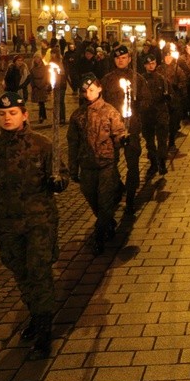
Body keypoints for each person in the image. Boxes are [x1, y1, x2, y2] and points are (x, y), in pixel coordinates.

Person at [0, 92, 69, 360]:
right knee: (21, 274)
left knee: (39, 273)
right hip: (7, 226)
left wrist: (58, 182)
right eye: (2, 114)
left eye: (12, 113)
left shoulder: (42, 145)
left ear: (25, 115)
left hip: (39, 223)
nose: (7, 118)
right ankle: (35, 314)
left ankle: (45, 330)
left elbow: (61, 174)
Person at [67, 73, 128, 254]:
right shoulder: (78, 116)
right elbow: (73, 143)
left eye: (91, 90)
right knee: (93, 200)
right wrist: (73, 168)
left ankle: (99, 236)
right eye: (85, 91)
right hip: (87, 166)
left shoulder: (110, 111)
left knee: (105, 201)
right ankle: (107, 222)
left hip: (106, 164)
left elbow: (118, 134)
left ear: (99, 88)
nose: (88, 94)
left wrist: (123, 139)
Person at [100, 45, 150, 216]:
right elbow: (101, 102)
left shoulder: (137, 79)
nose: (120, 60)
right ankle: (118, 189)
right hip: (112, 129)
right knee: (110, 164)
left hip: (132, 128)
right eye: (117, 58)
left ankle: (130, 197)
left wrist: (137, 103)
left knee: (133, 164)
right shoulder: (107, 80)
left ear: (129, 59)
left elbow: (146, 101)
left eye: (123, 57)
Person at [141, 54, 171, 176]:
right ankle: (153, 163)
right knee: (149, 141)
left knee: (162, 140)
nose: (151, 65)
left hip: (160, 112)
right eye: (148, 64)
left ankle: (162, 162)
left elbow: (170, 95)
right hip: (147, 114)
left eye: (153, 63)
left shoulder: (162, 79)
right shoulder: (141, 79)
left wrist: (168, 97)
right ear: (144, 65)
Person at [157, 47, 187, 151]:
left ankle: (172, 141)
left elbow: (183, 81)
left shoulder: (177, 69)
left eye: (170, 57)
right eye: (166, 57)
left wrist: (177, 86)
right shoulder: (159, 69)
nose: (168, 59)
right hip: (163, 100)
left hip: (174, 100)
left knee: (173, 122)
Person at [29, 53, 51, 124]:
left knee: (41, 102)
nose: (36, 60)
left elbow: (46, 77)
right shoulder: (32, 69)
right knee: (40, 102)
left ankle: (41, 116)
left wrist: (42, 85)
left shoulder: (44, 68)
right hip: (36, 86)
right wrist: (34, 86)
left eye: (37, 58)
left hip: (42, 86)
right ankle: (43, 115)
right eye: (35, 58)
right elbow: (31, 78)